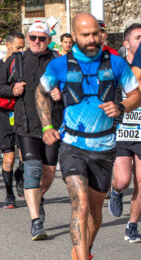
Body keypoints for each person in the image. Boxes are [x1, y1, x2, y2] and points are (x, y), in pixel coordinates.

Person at [36, 13, 141, 259]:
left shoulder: (116, 63)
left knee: (94, 212)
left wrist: (122, 107)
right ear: (74, 37)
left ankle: (84, 250)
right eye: (86, 34)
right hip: (73, 144)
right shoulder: (60, 64)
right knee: (80, 205)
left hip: (104, 147)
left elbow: (136, 94)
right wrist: (46, 127)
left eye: (96, 33)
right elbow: (41, 93)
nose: (92, 38)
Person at [0, 21, 63, 240]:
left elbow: (76, 88)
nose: (37, 42)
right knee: (32, 170)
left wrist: (62, 93)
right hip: (26, 126)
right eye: (33, 37)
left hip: (52, 127)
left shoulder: (59, 62)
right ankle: (35, 222)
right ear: (28, 38)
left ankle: (38, 199)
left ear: (49, 40)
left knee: (48, 174)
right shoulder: (17, 60)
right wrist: (12, 90)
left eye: (42, 38)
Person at [109, 23, 141, 243]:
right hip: (121, 131)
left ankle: (132, 225)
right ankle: (116, 191)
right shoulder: (116, 69)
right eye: (138, 37)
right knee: (123, 180)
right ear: (127, 43)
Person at [0, 31, 26, 207]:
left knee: (26, 155)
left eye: (23, 47)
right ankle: (9, 194)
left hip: (22, 114)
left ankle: (21, 173)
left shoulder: (26, 64)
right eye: (18, 47)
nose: (21, 50)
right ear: (8, 46)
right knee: (8, 159)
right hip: (4, 115)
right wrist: (6, 94)